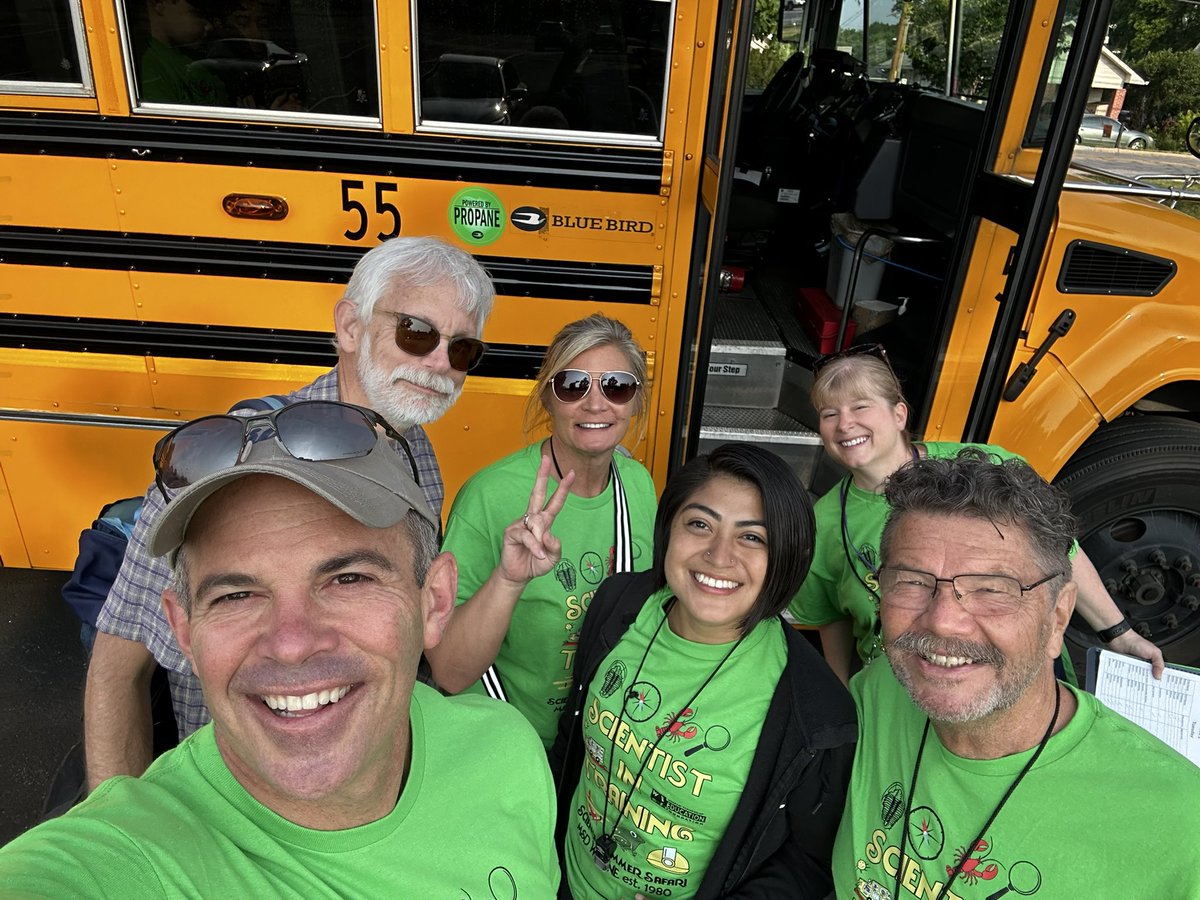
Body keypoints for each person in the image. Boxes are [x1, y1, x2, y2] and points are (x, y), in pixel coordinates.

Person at [0, 406, 560, 896]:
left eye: (349, 580)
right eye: (237, 594)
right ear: (185, 632)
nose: (291, 644)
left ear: (434, 602)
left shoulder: (509, 755)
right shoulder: (129, 856)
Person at [85, 236, 494, 790]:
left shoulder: (414, 450)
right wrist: (119, 829)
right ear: (350, 327)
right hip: (236, 796)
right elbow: (117, 663)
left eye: (462, 349)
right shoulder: (226, 459)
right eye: (416, 334)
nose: (439, 365)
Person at [832, 449, 1200, 899]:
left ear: (1058, 617)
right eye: (912, 582)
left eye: (993, 589)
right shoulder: (876, 696)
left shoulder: (1182, 826)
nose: (944, 621)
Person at [552, 443, 857, 898]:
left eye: (753, 537)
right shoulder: (619, 604)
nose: (719, 555)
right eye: (699, 524)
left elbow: (807, 865)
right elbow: (573, 742)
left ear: (786, 557)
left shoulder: (816, 712)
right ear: (668, 529)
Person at [790, 344, 1164, 684]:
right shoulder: (821, 522)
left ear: (899, 413)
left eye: (860, 406)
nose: (845, 424)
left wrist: (1121, 635)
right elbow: (830, 620)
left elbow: (1064, 553)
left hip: (1011, 676)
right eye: (829, 414)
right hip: (903, 689)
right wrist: (843, 698)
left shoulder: (992, 467)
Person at [428, 314, 657, 749]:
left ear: (636, 401)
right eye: (573, 385)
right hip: (504, 744)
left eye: (617, 386)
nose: (595, 404)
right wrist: (509, 578)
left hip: (600, 750)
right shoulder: (490, 496)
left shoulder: (640, 487)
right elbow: (449, 673)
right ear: (548, 398)